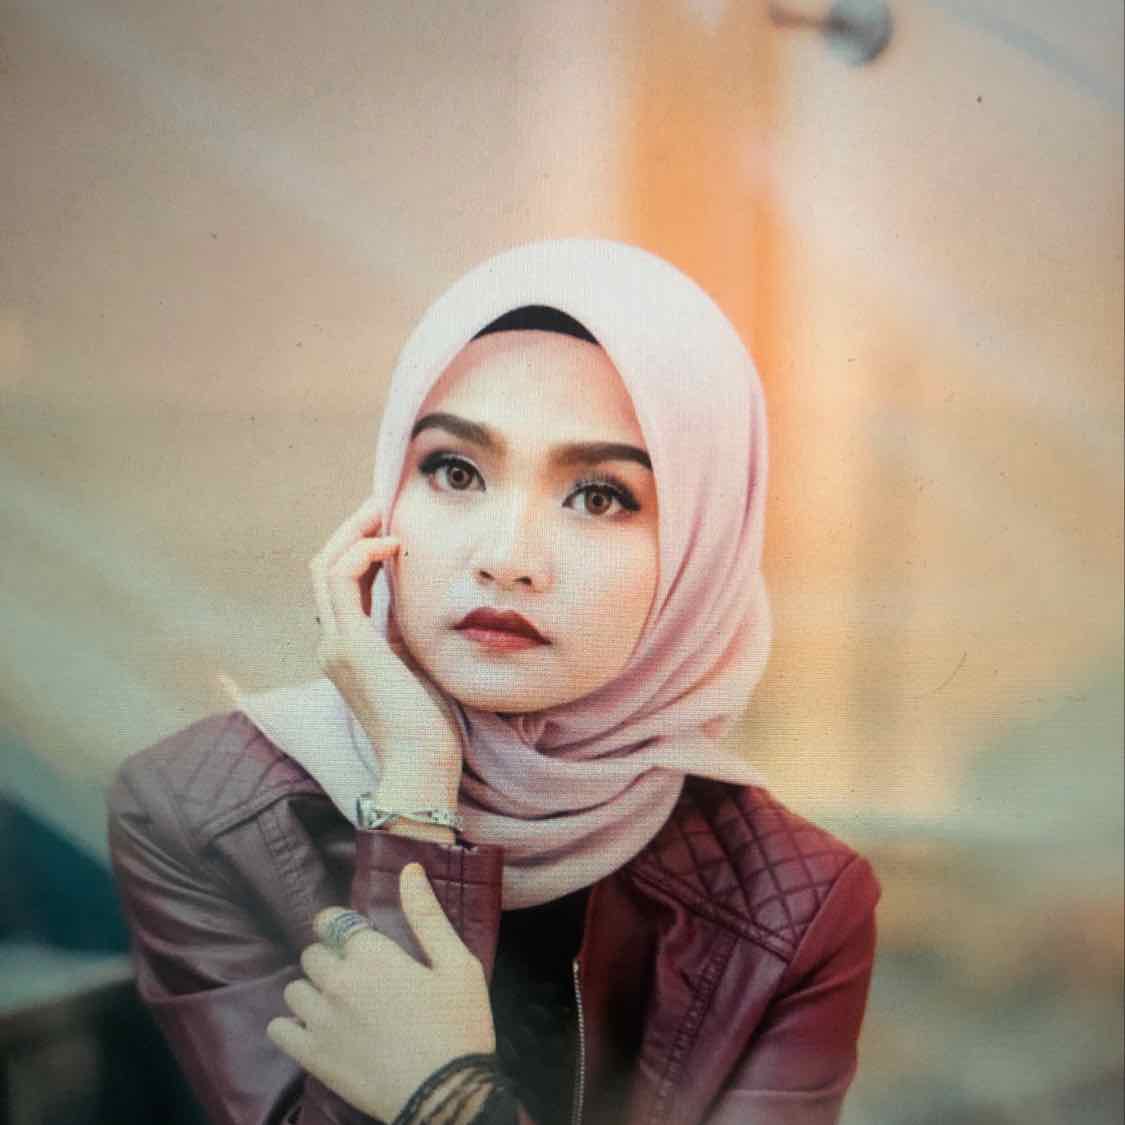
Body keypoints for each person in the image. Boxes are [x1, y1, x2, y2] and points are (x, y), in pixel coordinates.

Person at [106, 239, 881, 1125]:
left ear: (700, 551)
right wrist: (415, 780)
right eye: (455, 471)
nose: (507, 558)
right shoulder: (198, 814)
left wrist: (446, 1099)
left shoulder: (796, 907)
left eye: (599, 496)